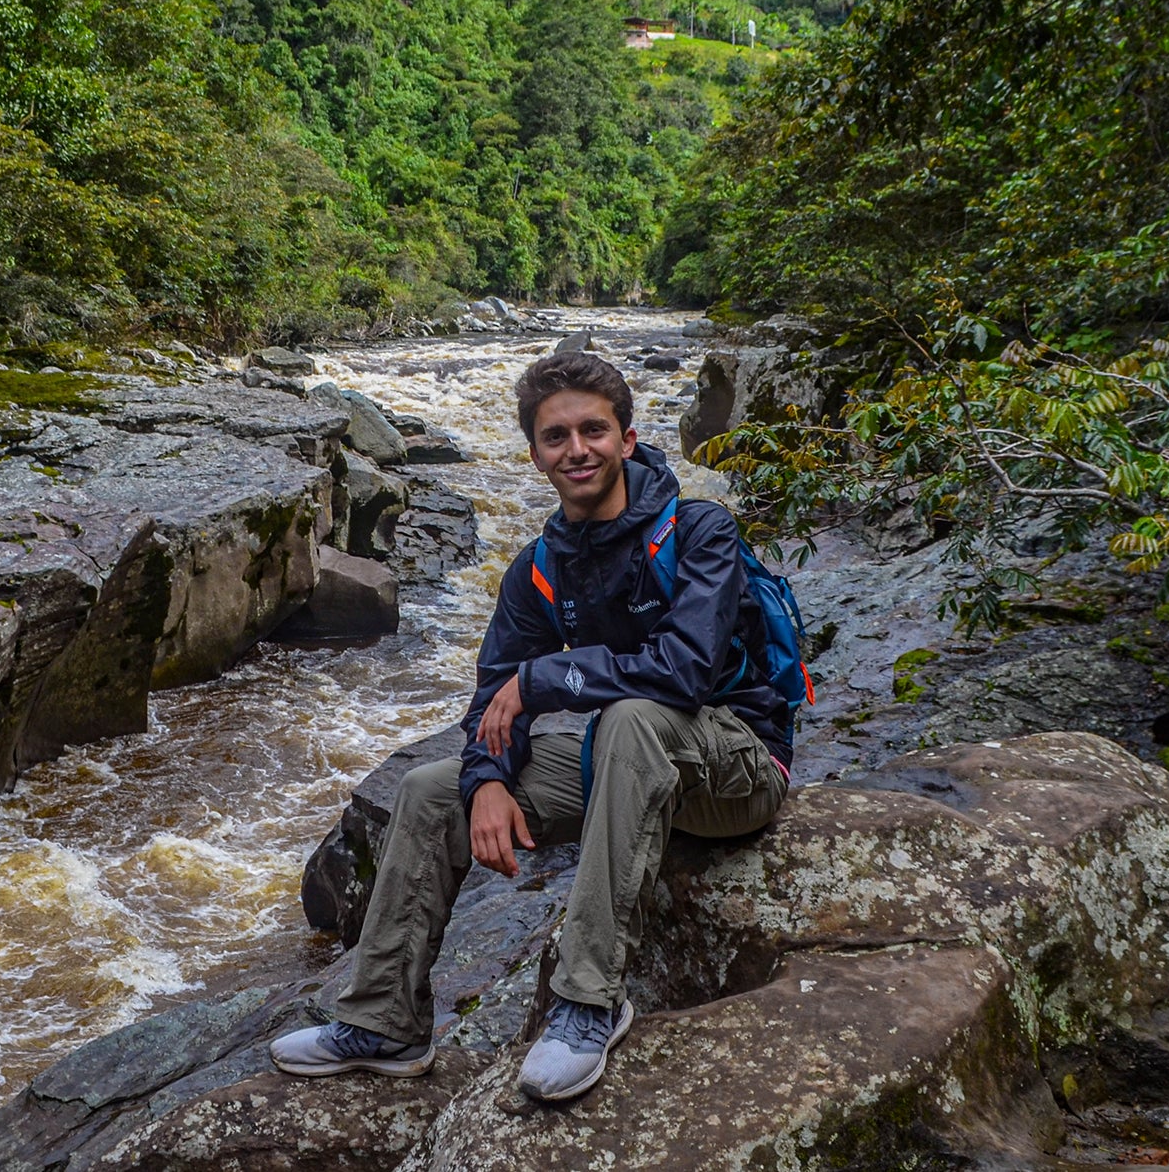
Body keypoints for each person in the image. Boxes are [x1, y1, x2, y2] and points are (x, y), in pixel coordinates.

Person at [270, 351, 794, 1102]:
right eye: (556, 437)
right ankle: (384, 1022)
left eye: (593, 431)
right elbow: (492, 697)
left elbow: (686, 673)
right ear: (534, 453)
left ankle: (587, 1002)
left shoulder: (699, 531)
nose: (576, 450)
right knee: (429, 789)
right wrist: (485, 783)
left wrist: (545, 678)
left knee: (634, 716)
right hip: (627, 763)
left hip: (734, 762)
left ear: (629, 439)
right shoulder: (540, 565)